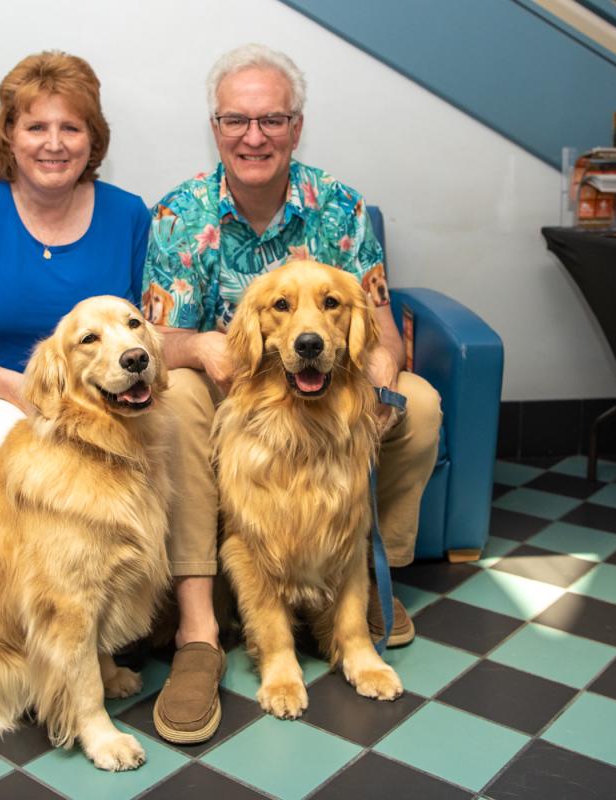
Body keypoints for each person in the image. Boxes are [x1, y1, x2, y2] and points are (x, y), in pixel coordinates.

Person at [143, 44, 442, 744]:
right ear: (216, 127)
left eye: (272, 119)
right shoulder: (180, 213)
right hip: (236, 394)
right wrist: (205, 345)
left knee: (420, 406)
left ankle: (376, 584)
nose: (255, 136)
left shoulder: (340, 207)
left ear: (296, 127)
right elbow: (157, 336)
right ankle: (202, 626)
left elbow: (376, 317)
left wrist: (382, 367)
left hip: (332, 391)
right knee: (180, 397)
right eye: (237, 121)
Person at [0, 52, 150, 485]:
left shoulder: (129, 214)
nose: (54, 144)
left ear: (92, 140)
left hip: (102, 395)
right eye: (36, 127)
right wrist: (16, 388)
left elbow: (147, 328)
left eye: (71, 128)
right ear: (9, 134)